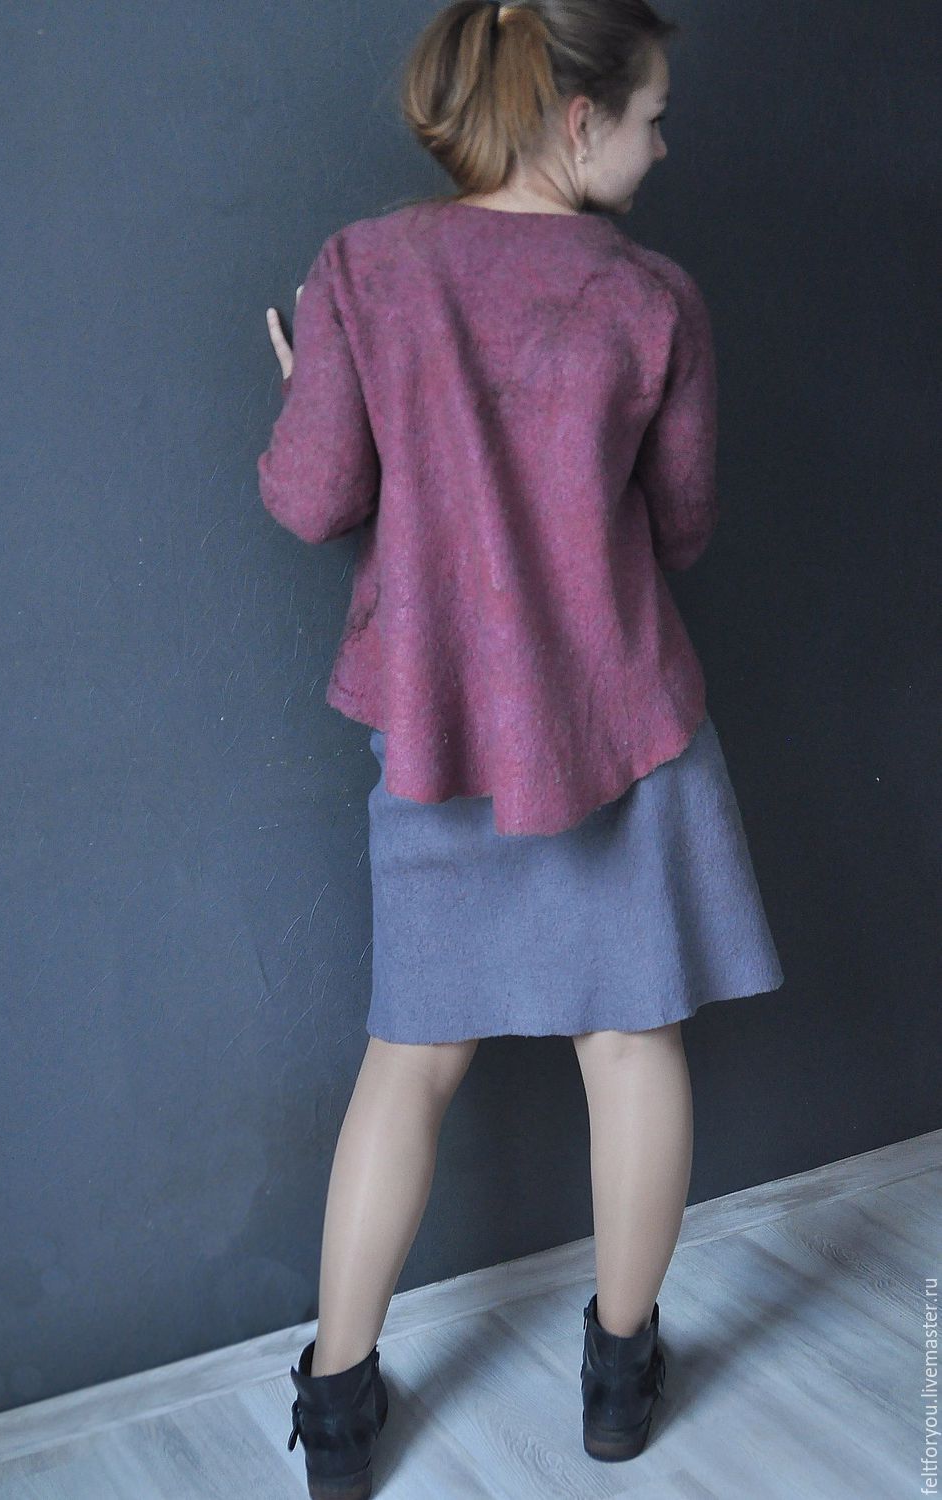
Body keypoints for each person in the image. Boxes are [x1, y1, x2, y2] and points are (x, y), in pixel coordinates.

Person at [259, 1, 784, 1492]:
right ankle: (617, 1386)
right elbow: (683, 527)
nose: (663, 146)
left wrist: (307, 387)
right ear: (578, 118)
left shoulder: (362, 269)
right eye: (653, 117)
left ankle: (337, 1408)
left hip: (440, 729)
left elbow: (311, 498)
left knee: (408, 1062)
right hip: (617, 722)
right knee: (631, 1047)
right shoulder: (654, 297)